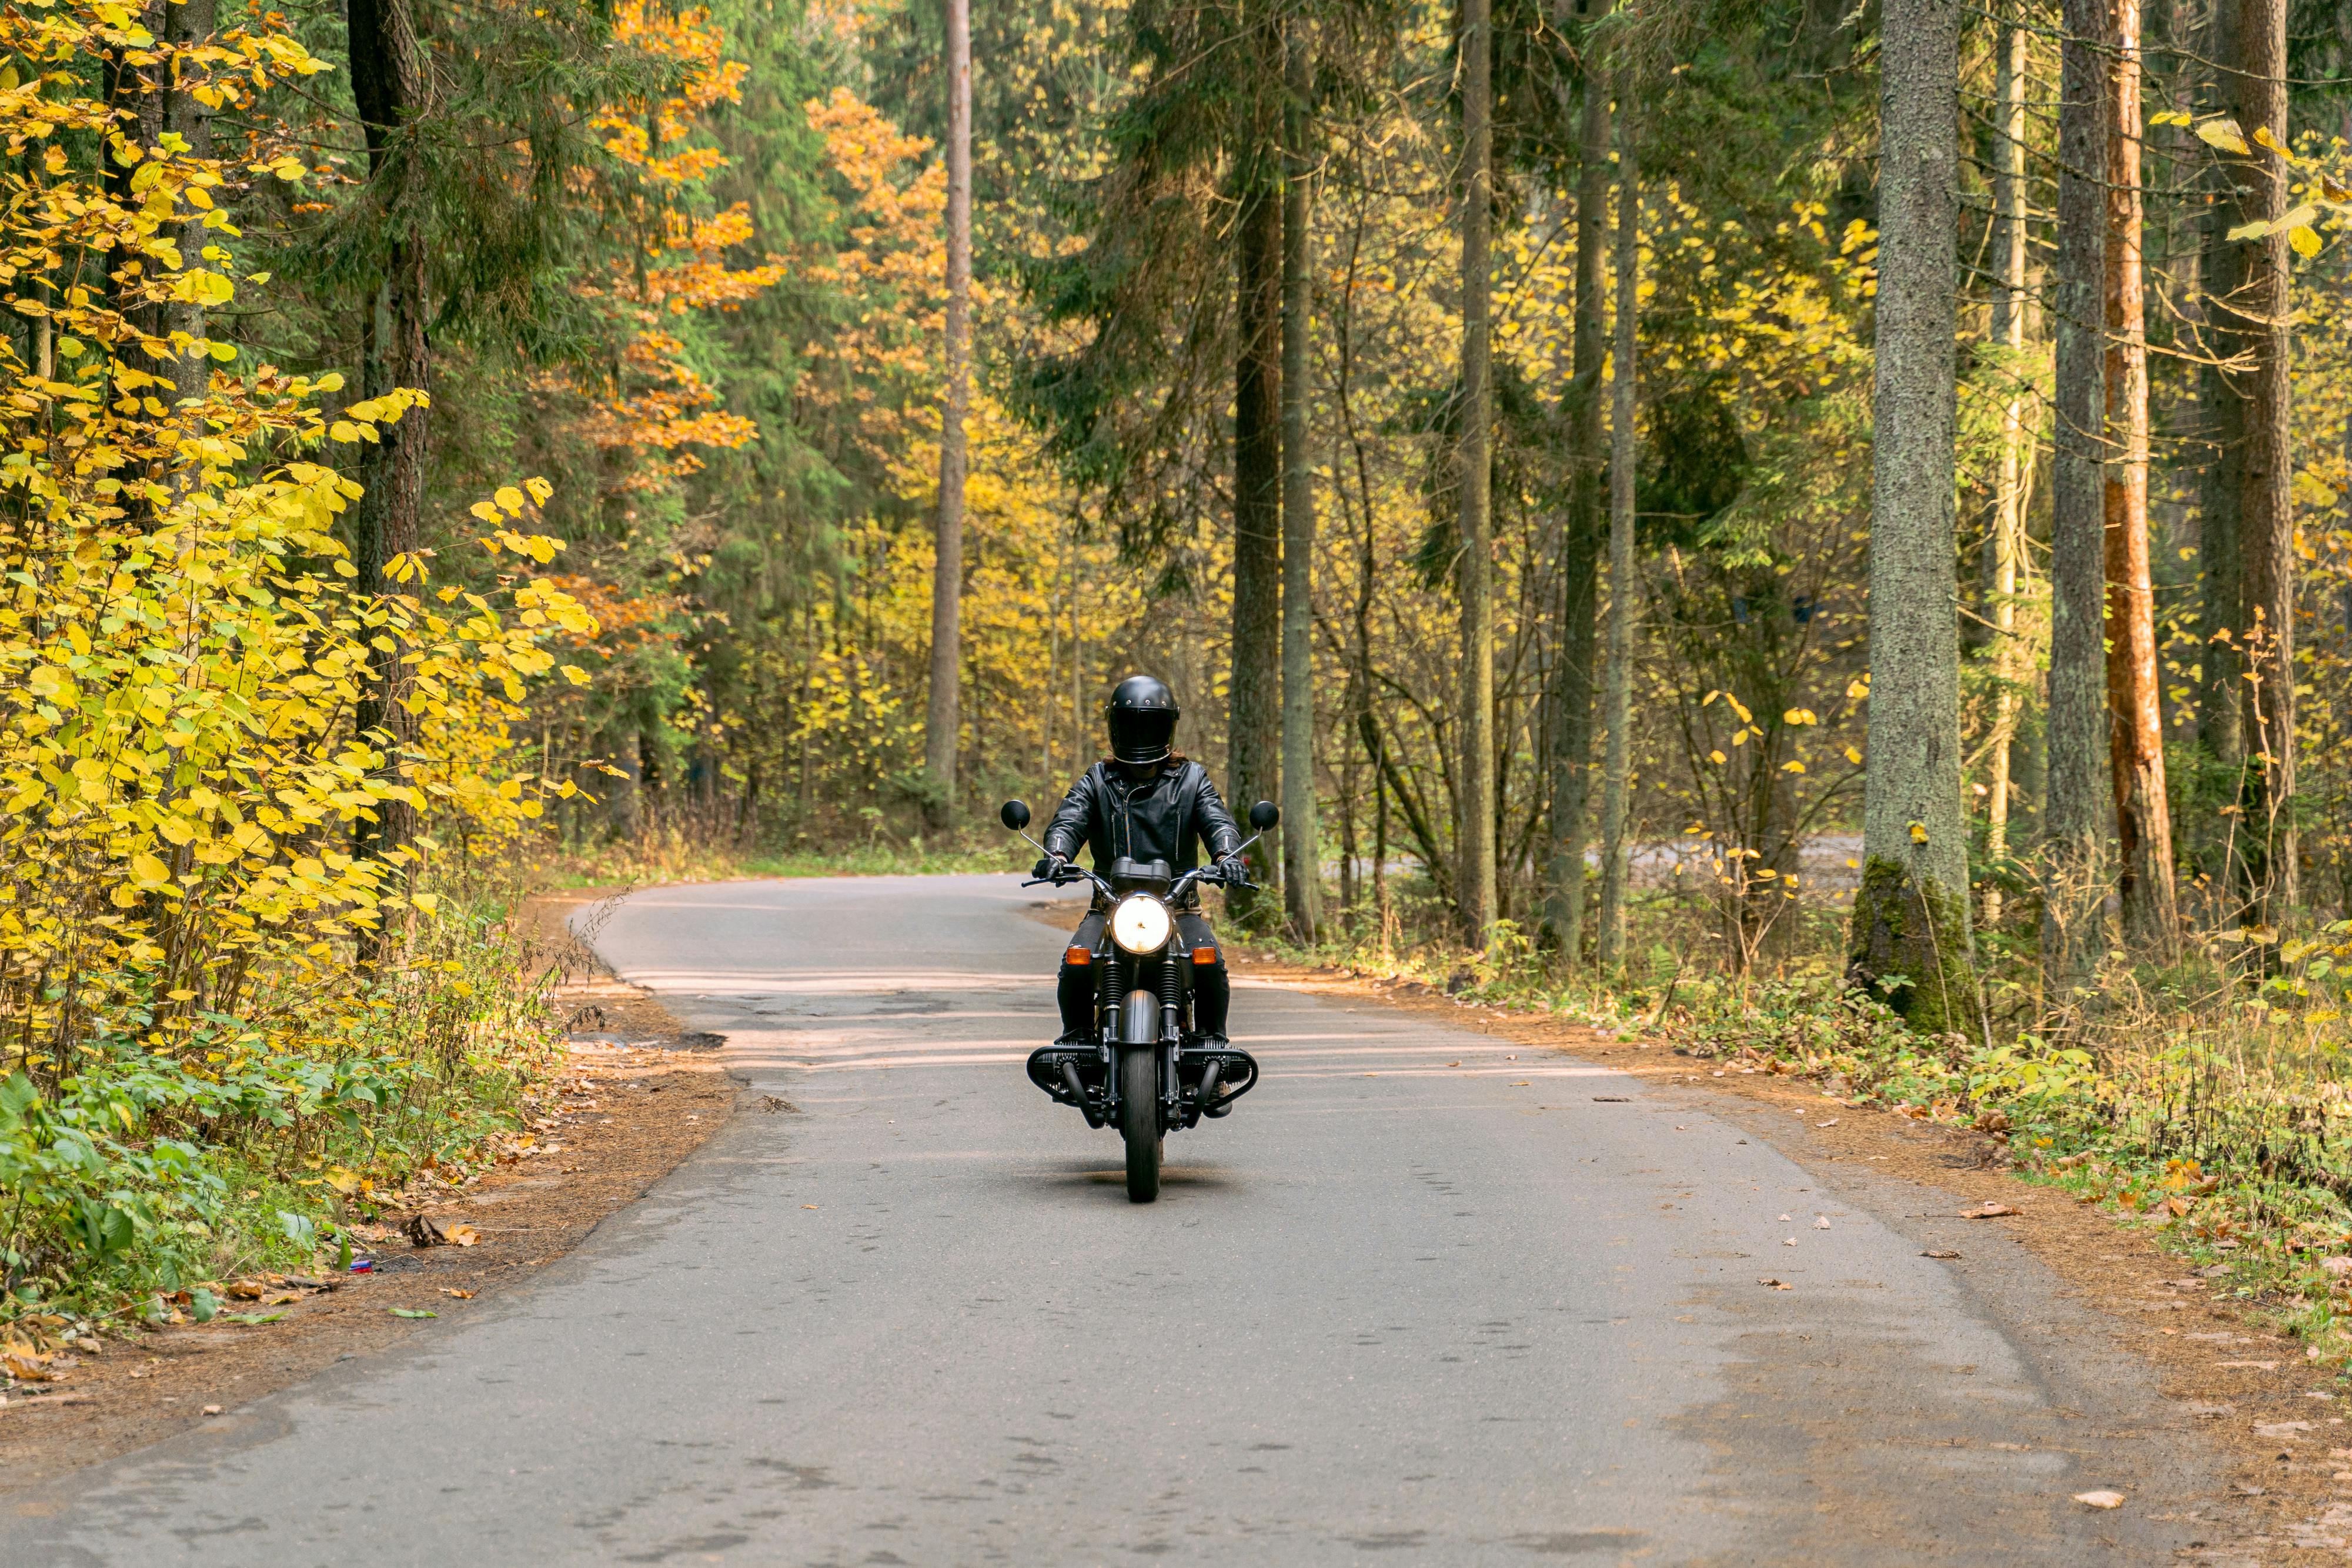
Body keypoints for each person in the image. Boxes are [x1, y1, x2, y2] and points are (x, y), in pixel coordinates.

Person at [1036, 675, 1246, 1046]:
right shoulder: (1098, 779)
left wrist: (1227, 854)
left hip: (1179, 907)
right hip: (1110, 906)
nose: (1139, 734)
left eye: (1149, 724)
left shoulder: (1192, 779)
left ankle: (1213, 1049)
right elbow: (1070, 819)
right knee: (1076, 962)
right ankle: (1078, 1042)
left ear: (1168, 728)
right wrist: (1056, 853)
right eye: (1130, 725)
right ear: (1115, 727)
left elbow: (1217, 820)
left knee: (1209, 962)